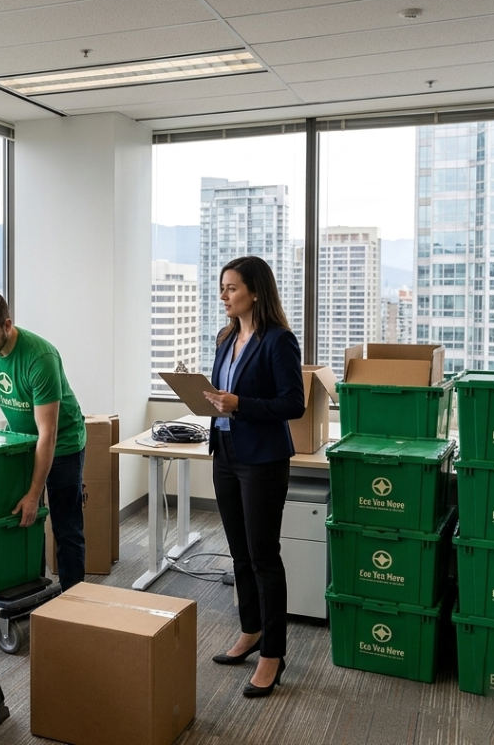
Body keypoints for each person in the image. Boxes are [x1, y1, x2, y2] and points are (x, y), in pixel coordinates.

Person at [202, 255, 304, 699]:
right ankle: (250, 630)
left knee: (264, 555)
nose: (223, 296)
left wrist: (239, 403)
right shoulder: (227, 337)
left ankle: (273, 653)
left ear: (255, 292)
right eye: (222, 288)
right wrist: (209, 399)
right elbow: (220, 394)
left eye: (231, 288)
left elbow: (292, 404)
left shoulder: (278, 341)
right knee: (238, 553)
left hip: (261, 460)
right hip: (224, 452)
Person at [0, 290, 86, 590]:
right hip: (21, 443)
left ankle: (73, 599)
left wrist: (34, 492)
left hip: (63, 444)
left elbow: (48, 433)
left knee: (65, 524)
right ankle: (34, 586)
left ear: (6, 325)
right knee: (24, 518)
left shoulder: (39, 357)